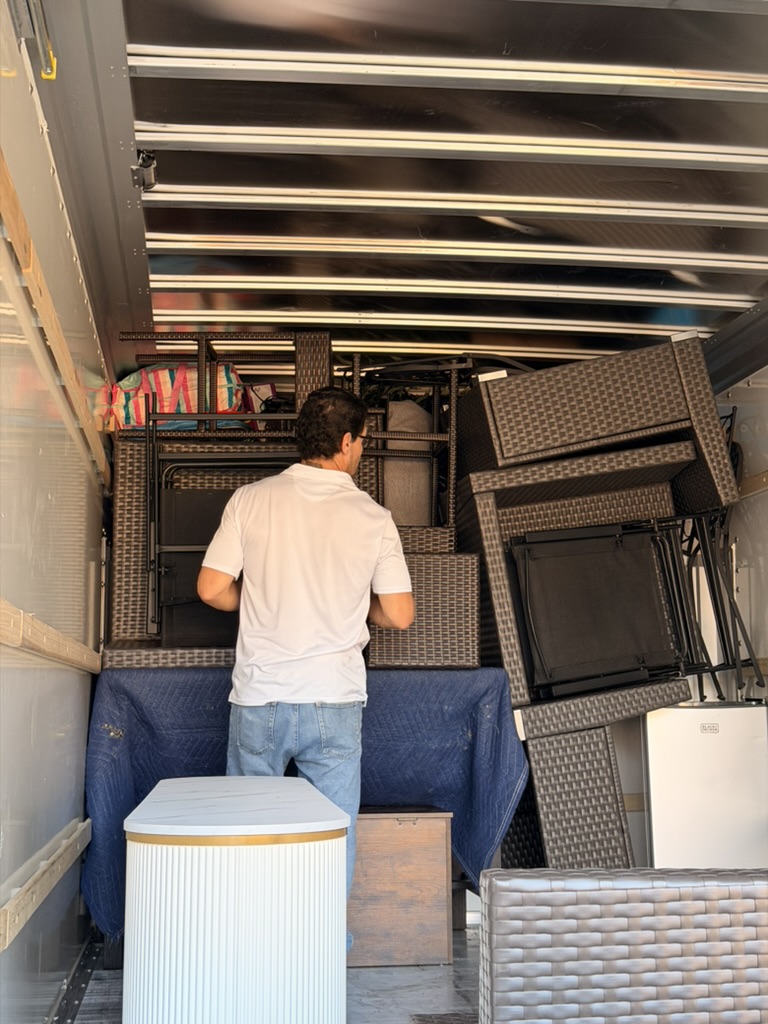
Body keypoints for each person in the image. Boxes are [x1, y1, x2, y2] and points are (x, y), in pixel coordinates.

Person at [197, 386, 414, 926]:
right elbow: (400, 615)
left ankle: (246, 950)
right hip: (334, 699)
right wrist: (359, 608)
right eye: (361, 441)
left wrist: (257, 599)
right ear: (345, 442)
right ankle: (317, 961)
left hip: (259, 696)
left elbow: (209, 588)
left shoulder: (250, 498)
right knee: (329, 839)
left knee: (249, 834)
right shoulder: (374, 516)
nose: (360, 450)